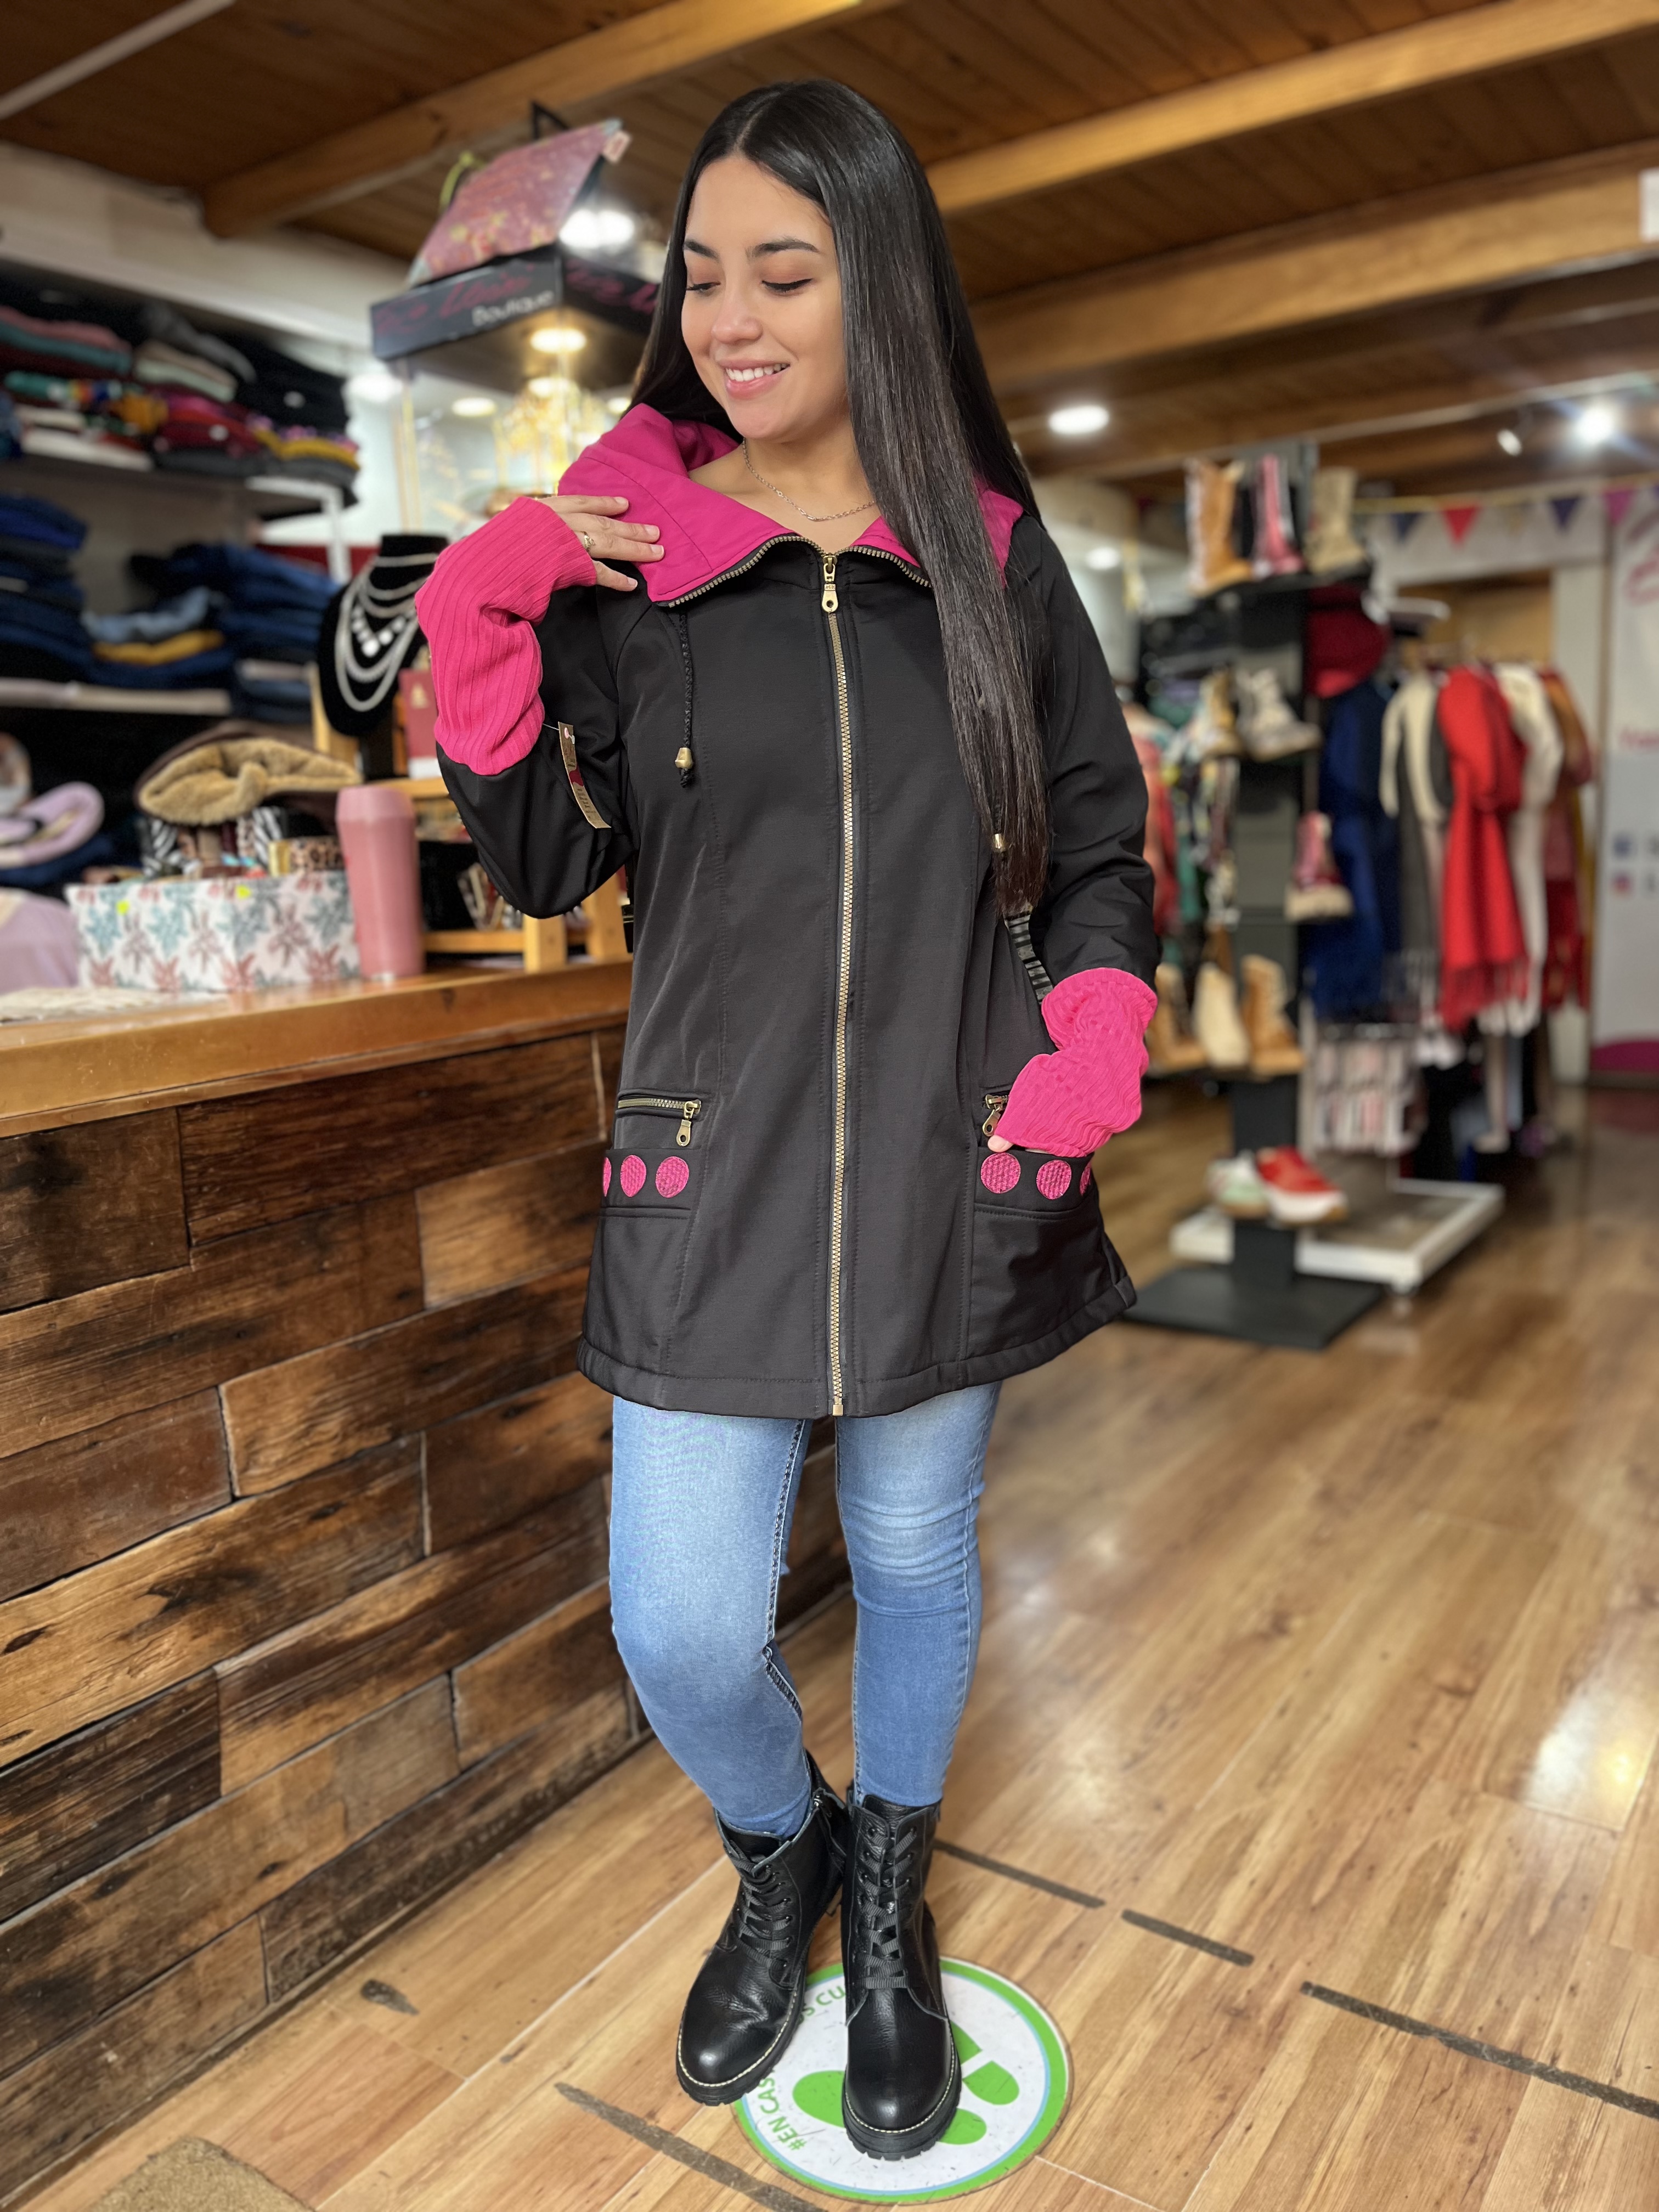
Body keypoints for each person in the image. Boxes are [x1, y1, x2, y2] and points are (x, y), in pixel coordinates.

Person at [417, 78, 1156, 2163]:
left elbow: (1096, 842)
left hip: (948, 1143)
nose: (730, 319)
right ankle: (783, 1847)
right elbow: (548, 866)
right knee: (679, 1621)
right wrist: (487, 621)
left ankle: (891, 1891)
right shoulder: (632, 557)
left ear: (880, 285)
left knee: (915, 1555)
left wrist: (1097, 1014)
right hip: (709, 1162)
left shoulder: (992, 559)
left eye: (786, 274)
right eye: (702, 276)